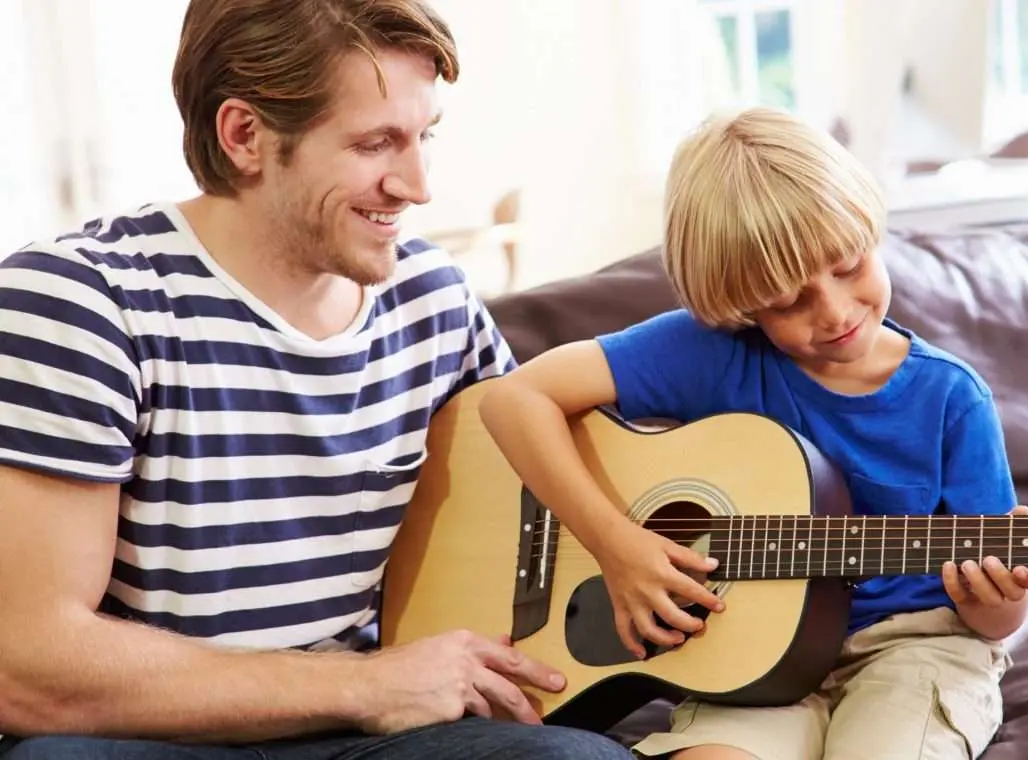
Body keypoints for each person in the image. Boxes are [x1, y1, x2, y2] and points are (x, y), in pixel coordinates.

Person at [0, 1, 634, 759]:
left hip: (366, 735)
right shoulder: (79, 302)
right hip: (153, 736)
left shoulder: (431, 297)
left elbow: (538, 494)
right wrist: (370, 687)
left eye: (424, 135)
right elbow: (27, 668)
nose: (419, 184)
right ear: (245, 136)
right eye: (377, 143)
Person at [477, 106, 1028, 760]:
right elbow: (514, 400)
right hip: (747, 661)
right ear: (739, 302)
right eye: (786, 300)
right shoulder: (707, 351)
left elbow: (998, 620)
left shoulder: (951, 398)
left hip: (913, 650)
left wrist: (997, 602)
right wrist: (615, 543)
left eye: (849, 264)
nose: (834, 311)